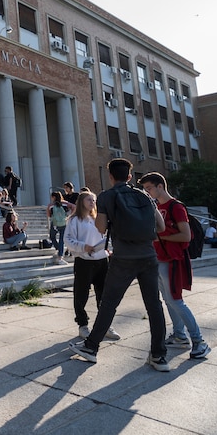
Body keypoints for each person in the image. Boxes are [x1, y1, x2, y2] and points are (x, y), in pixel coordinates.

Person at [69, 158, 170, 372]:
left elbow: (101, 228)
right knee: (154, 305)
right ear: (130, 176)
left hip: (124, 257)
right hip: (148, 256)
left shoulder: (107, 196)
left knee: (109, 303)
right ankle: (159, 356)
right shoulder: (144, 195)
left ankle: (91, 347)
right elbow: (160, 227)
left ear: (111, 176)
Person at [139, 172, 212, 360]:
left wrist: (160, 236)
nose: (147, 192)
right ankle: (180, 335)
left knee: (175, 300)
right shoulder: (157, 207)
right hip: (159, 258)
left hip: (172, 260)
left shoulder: (176, 207)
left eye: (149, 188)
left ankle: (199, 341)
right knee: (168, 299)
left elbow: (186, 236)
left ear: (160, 186)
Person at [64, 191, 120, 341]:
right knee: (81, 294)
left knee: (104, 294)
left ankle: (105, 325)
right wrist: (83, 247)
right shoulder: (74, 220)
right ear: (81, 201)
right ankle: (82, 325)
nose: (92, 202)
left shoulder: (98, 219)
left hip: (102, 259)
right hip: (84, 261)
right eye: (89, 199)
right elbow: (68, 239)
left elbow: (107, 236)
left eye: (94, 200)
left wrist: (109, 249)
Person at [47, 191, 69, 263]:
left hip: (55, 223)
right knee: (61, 239)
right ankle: (60, 256)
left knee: (52, 236)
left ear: (54, 197)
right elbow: (74, 207)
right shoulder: (65, 203)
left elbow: (48, 214)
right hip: (64, 222)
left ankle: (58, 249)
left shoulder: (51, 205)